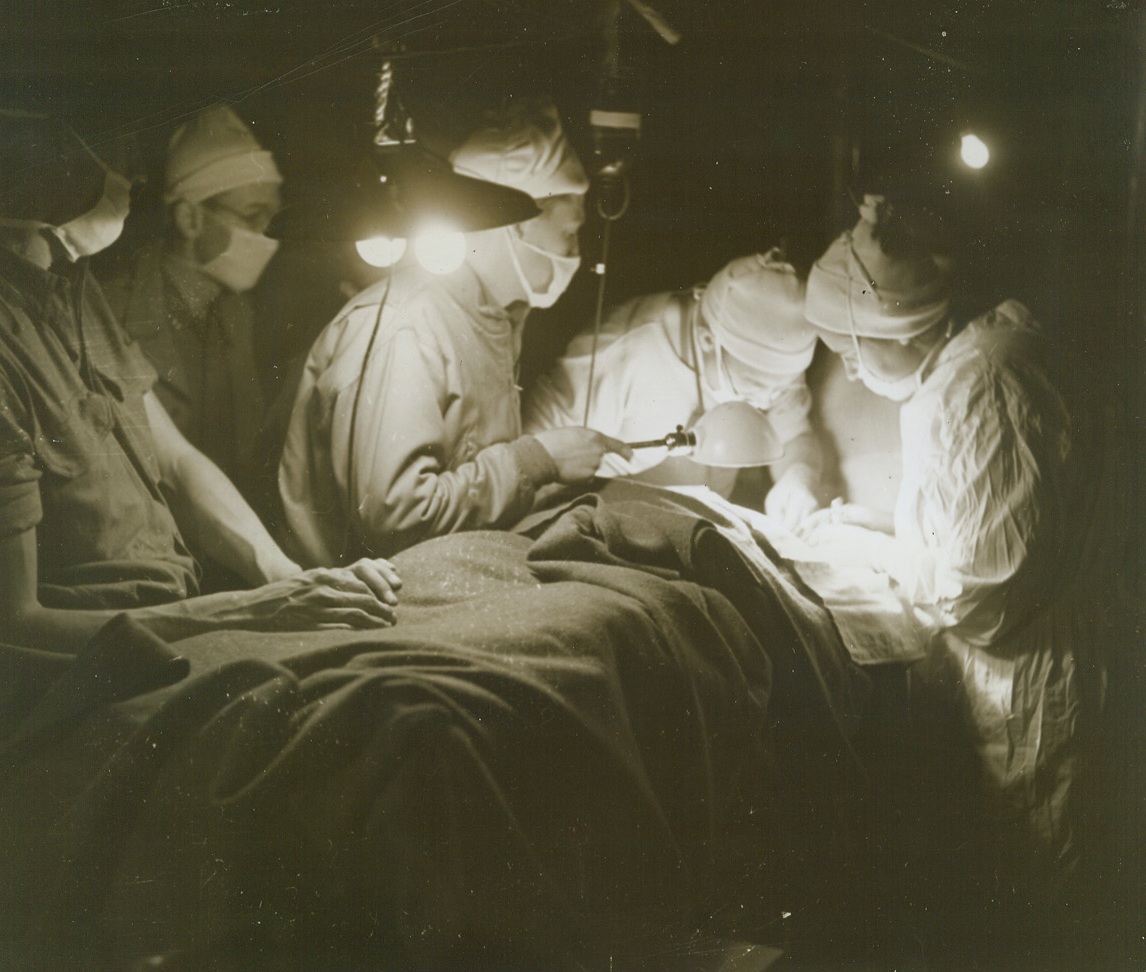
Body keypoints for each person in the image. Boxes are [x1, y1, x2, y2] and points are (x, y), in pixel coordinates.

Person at [798, 192, 1106, 917]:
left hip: (1033, 690)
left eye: (850, 348)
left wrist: (879, 555)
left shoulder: (981, 386)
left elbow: (983, 593)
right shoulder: (983, 355)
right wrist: (889, 527)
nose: (849, 367)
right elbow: (1002, 522)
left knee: (1042, 904)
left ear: (896, 328)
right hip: (1035, 655)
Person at [0, 110, 401, 653]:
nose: (135, 178)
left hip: (188, 605)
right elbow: (16, 626)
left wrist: (288, 578)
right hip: (114, 657)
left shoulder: (73, 289)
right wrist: (256, 610)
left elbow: (178, 461)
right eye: (113, 158)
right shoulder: (14, 339)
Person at [278, 101, 629, 567]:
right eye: (569, 234)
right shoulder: (408, 329)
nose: (576, 253)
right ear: (513, 225)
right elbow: (396, 520)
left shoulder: (492, 321)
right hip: (362, 591)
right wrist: (537, 460)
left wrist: (552, 470)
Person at [523, 249, 824, 524]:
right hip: (604, 512)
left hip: (701, 519)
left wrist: (799, 476)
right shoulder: (623, 360)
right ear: (708, 342)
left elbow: (794, 433)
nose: (767, 400)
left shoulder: (771, 365)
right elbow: (533, 463)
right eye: (755, 386)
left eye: (779, 388)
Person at [100, 106, 281, 501]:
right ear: (190, 219)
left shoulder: (238, 311)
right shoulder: (111, 313)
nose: (264, 236)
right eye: (252, 217)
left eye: (269, 220)